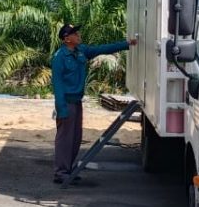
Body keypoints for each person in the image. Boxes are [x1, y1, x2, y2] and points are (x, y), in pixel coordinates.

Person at [51, 23, 137, 183]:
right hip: (67, 103)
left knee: (76, 138)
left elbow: (103, 49)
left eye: (77, 32)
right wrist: (61, 109)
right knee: (65, 139)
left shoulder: (81, 51)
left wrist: (127, 44)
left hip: (77, 102)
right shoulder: (59, 58)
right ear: (66, 39)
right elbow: (57, 85)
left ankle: (68, 170)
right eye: (74, 34)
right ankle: (60, 173)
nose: (78, 35)